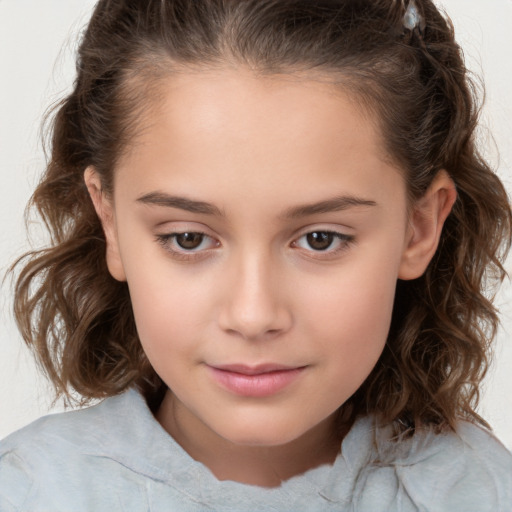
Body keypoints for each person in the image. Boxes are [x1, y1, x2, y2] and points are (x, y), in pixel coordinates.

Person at [1, 0, 511, 510]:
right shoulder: (26, 491)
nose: (253, 315)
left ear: (418, 228)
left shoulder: (483, 493)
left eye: (320, 239)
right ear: (110, 221)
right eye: (188, 238)